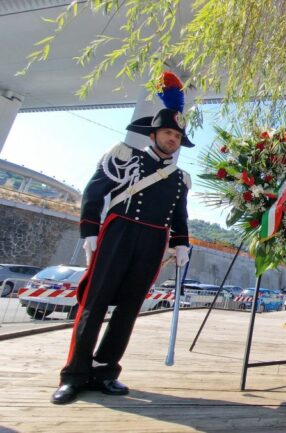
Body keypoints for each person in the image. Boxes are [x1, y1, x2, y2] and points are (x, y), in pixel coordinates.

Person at [51, 71, 193, 405]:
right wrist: (89, 231)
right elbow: (94, 193)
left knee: (129, 308)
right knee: (94, 304)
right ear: (154, 132)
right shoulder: (123, 157)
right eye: (168, 132)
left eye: (177, 135)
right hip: (119, 233)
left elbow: (178, 214)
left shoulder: (179, 178)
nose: (173, 139)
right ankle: (74, 374)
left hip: (152, 243)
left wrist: (181, 242)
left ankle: (104, 370)